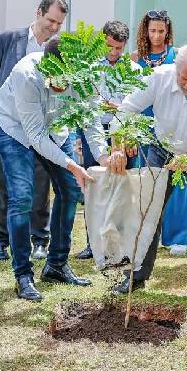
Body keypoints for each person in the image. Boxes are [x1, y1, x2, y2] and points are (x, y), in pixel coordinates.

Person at [0, 37, 118, 301]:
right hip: (15, 129)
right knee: (22, 198)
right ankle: (23, 275)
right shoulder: (26, 75)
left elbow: (90, 119)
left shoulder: (85, 75)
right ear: (47, 67)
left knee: (71, 191)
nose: (64, 86)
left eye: (69, 80)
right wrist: (72, 164)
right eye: (59, 79)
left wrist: (103, 156)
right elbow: (35, 135)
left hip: (55, 130)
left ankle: (57, 265)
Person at [110, 43, 187, 303]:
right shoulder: (158, 77)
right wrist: (119, 144)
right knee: (148, 209)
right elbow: (126, 109)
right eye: (182, 78)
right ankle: (138, 274)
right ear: (175, 68)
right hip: (161, 150)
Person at [0, 0, 67, 261]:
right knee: (5, 184)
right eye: (50, 20)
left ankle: (39, 239)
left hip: (42, 130)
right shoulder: (9, 39)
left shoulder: (58, 49)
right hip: (9, 127)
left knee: (40, 187)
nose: (54, 27)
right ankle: (1, 239)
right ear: (38, 13)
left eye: (59, 23)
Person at [74, 20, 141, 260]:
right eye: (110, 47)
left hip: (123, 132)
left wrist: (121, 113)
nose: (114, 53)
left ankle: (122, 244)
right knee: (95, 185)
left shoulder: (134, 70)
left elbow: (136, 107)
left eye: (119, 48)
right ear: (103, 41)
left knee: (123, 188)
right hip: (94, 130)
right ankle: (93, 243)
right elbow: (83, 105)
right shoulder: (89, 68)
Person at [132, 10, 187, 256]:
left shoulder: (177, 56)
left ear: (168, 32)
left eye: (161, 31)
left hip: (172, 126)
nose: (156, 35)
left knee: (177, 181)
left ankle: (179, 237)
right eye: (152, 31)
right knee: (148, 182)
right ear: (145, 31)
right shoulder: (136, 58)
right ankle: (147, 235)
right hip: (143, 127)